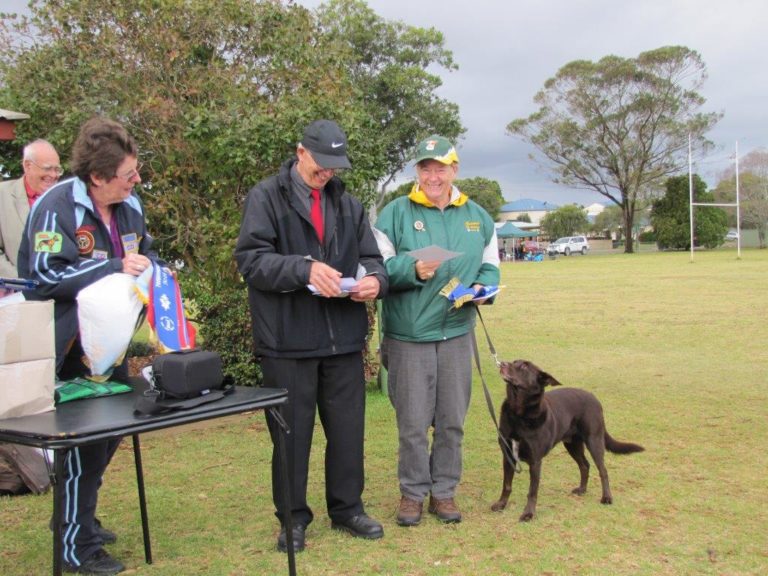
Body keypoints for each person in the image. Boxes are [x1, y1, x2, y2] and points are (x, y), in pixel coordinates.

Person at [235, 119, 389, 553]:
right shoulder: (266, 197)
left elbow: (371, 257)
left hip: (342, 338)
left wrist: (375, 281)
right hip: (287, 343)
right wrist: (302, 269)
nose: (329, 173)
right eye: (323, 164)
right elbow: (251, 260)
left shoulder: (349, 204)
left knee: (347, 431)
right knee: (291, 436)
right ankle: (293, 519)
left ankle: (347, 509)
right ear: (301, 152)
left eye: (336, 166)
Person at [18, 117, 152, 575]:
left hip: (112, 346)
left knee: (108, 434)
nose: (136, 181)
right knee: (80, 444)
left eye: (136, 171)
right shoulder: (57, 208)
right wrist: (112, 266)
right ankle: (76, 547)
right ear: (96, 177)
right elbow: (43, 278)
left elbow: (144, 256)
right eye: (127, 175)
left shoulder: (131, 207)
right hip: (66, 347)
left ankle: (77, 517)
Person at [373, 135, 500, 527]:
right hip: (409, 335)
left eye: (440, 168)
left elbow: (490, 266)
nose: (432, 176)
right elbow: (375, 268)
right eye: (425, 168)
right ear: (417, 172)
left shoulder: (478, 215)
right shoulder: (394, 213)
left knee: (452, 420)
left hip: (458, 333)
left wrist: (482, 289)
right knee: (412, 423)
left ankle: (444, 492)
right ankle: (412, 494)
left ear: (454, 170)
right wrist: (410, 270)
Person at [0, 139, 61, 278]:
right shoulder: (2, 195)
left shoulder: (67, 199)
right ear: (27, 166)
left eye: (57, 169)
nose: (53, 175)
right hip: (14, 291)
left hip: (57, 289)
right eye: (47, 168)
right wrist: (21, 282)